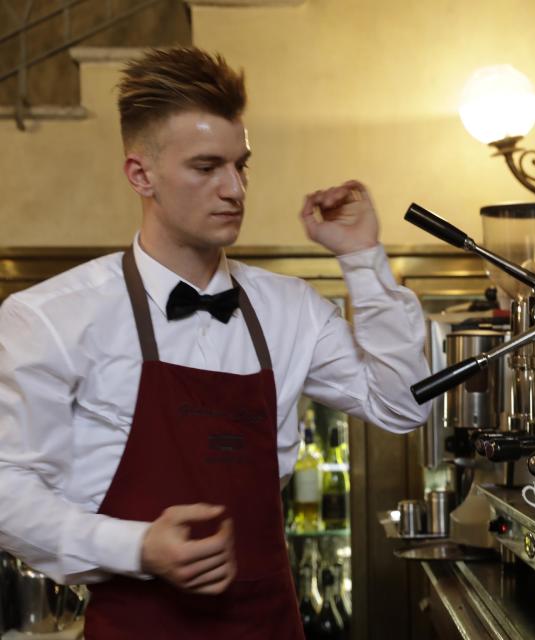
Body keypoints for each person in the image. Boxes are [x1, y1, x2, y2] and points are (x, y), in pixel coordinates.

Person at [0, 47, 430, 638]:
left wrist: (361, 257)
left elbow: (403, 405)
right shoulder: (49, 317)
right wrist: (137, 546)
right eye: (206, 167)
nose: (234, 189)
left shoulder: (291, 309)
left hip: (270, 624)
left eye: (241, 165)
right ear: (140, 174)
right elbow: (9, 491)